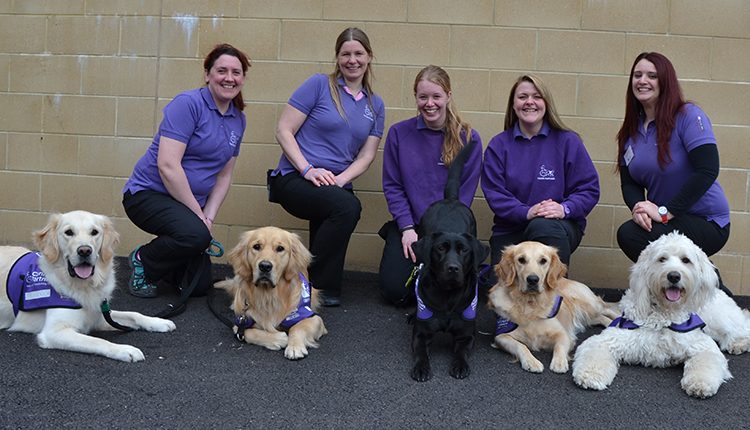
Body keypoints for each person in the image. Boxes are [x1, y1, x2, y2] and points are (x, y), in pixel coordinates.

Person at [268, 28, 385, 307]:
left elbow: (367, 155)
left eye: (358, 53)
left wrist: (341, 179)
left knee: (341, 204)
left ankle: (324, 289)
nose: (352, 60)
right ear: (337, 57)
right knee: (347, 207)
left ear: (369, 57)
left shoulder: (375, 104)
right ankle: (301, 281)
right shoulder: (319, 85)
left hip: (334, 183)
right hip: (295, 177)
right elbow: (284, 130)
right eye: (346, 54)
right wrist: (308, 169)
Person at [122, 43, 250, 298]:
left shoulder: (238, 118)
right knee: (195, 236)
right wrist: (198, 217)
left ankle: (170, 265)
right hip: (148, 195)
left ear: (243, 78)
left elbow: (224, 175)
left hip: (189, 208)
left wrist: (208, 217)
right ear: (207, 74)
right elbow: (168, 166)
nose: (229, 78)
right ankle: (143, 260)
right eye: (221, 70)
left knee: (199, 286)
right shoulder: (188, 104)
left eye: (236, 72)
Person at [615, 52, 732, 294]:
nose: (642, 80)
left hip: (706, 220)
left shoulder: (688, 116)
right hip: (666, 219)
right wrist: (639, 209)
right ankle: (700, 287)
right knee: (630, 232)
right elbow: (629, 183)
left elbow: (707, 169)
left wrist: (665, 212)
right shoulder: (630, 129)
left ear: (665, 81)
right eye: (637, 75)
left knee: (633, 237)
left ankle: (714, 290)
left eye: (652, 75)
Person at [378, 65, 482, 306]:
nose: (429, 103)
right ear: (416, 97)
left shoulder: (469, 138)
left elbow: (462, 197)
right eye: (423, 97)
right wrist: (406, 228)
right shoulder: (398, 134)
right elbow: (393, 186)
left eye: (436, 96)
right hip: (411, 228)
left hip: (449, 231)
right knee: (395, 292)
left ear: (448, 96)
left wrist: (439, 241)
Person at [482, 74, 599, 272]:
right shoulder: (498, 145)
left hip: (557, 226)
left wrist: (564, 209)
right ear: (513, 104)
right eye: (522, 97)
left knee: (541, 225)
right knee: (501, 289)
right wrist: (526, 212)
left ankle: (556, 294)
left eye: (536, 96)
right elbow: (495, 193)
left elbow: (589, 189)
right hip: (511, 229)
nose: (530, 102)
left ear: (546, 103)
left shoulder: (568, 141)